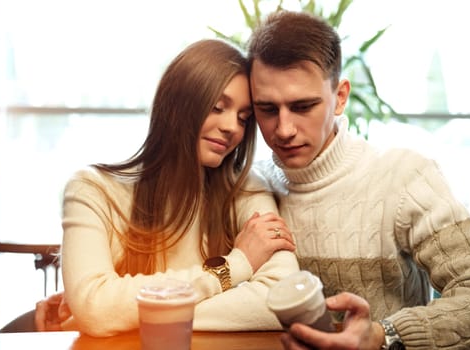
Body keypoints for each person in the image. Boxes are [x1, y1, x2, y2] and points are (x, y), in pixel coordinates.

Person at [29, 38, 300, 337]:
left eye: (243, 118)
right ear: (177, 105)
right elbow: (96, 308)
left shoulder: (247, 189)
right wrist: (234, 266)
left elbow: (281, 302)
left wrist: (124, 316)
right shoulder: (92, 190)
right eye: (217, 107)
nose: (232, 127)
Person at [248, 10, 470, 350]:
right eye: (267, 109)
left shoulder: (404, 176)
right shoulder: (256, 187)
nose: (283, 129)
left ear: (340, 97)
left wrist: (383, 336)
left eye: (303, 106)